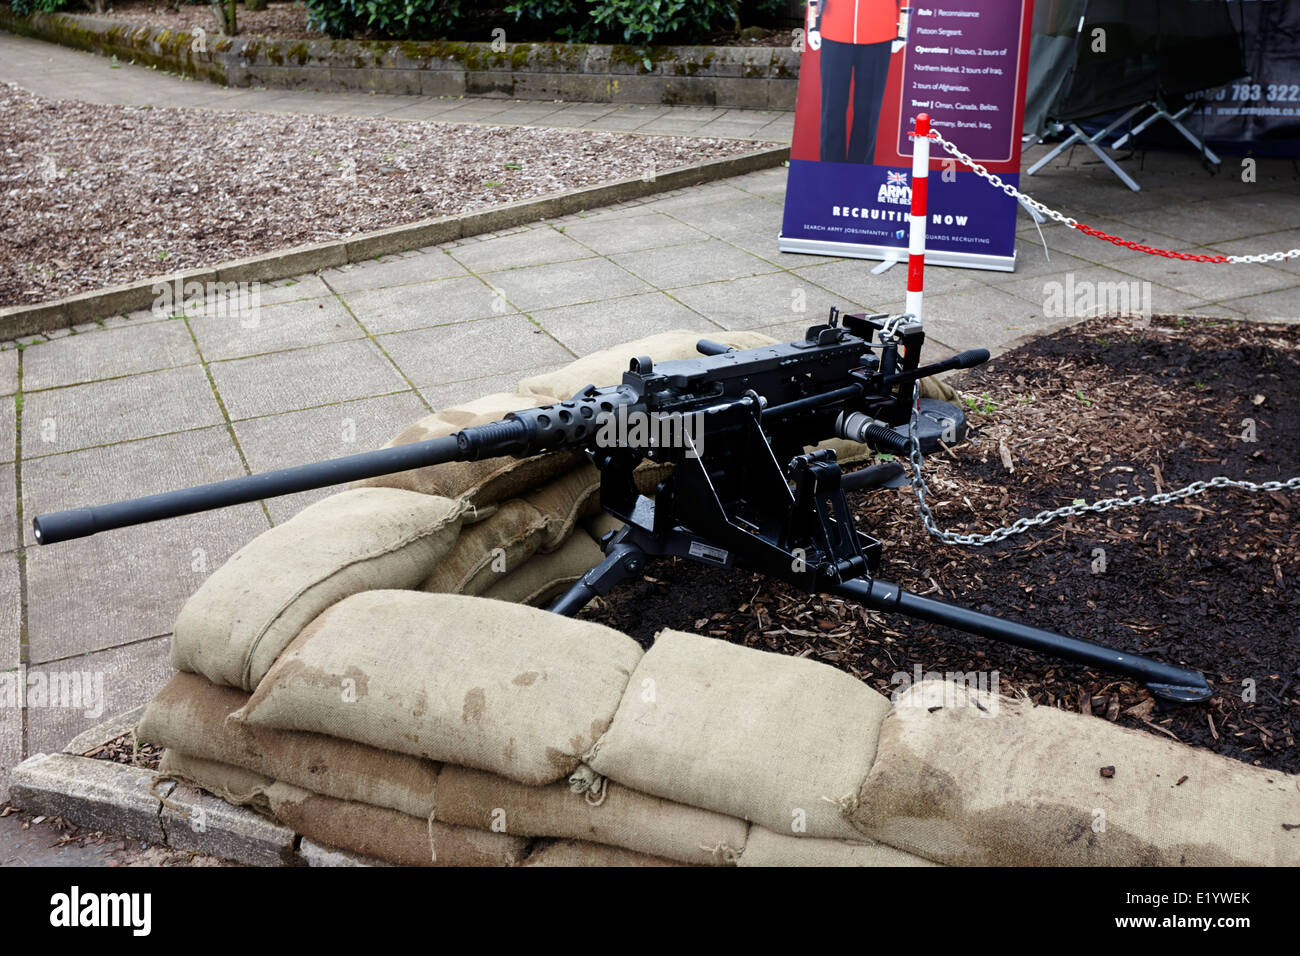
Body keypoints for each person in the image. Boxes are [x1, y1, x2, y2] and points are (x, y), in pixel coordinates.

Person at [808, 1, 909, 164]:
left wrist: (902, 27)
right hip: (836, 26)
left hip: (878, 28)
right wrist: (813, 23)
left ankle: (861, 172)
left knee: (868, 112)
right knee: (832, 107)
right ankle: (830, 169)